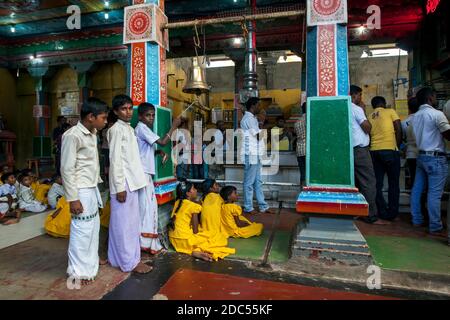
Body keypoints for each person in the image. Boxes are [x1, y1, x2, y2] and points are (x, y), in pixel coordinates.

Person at [61, 97, 108, 285]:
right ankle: (77, 272)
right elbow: (66, 168)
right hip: (79, 190)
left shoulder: (92, 132)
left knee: (92, 229)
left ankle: (90, 265)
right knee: (81, 231)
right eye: (103, 118)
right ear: (90, 117)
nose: (105, 121)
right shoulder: (73, 135)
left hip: (91, 187)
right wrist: (73, 198)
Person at [107, 95, 152, 274]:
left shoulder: (127, 128)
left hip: (131, 182)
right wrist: (119, 187)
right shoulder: (117, 130)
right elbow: (116, 160)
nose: (128, 112)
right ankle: (129, 263)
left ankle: (116, 258)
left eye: (130, 108)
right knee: (124, 224)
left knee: (126, 223)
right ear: (116, 111)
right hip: (123, 183)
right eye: (124, 109)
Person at [135, 102, 181, 255]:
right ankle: (144, 242)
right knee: (147, 209)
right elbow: (162, 142)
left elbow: (143, 151)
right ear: (140, 116)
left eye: (153, 115)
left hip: (145, 173)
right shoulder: (141, 128)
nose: (151, 118)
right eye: (148, 115)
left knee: (149, 208)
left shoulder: (144, 129)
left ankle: (146, 242)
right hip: (142, 173)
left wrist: (158, 153)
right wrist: (173, 126)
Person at [411, 87, 450, 237]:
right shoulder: (436, 114)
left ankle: (417, 219)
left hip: (421, 156)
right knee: (435, 193)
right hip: (435, 157)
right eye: (434, 97)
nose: (436, 99)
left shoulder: (415, 117)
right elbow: (447, 134)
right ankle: (435, 226)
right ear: (430, 99)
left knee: (417, 189)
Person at [169, 181, 235, 261]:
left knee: (206, 234)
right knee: (217, 238)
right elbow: (195, 230)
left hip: (174, 240)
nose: (196, 190)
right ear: (188, 193)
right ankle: (197, 250)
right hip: (185, 240)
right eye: (193, 189)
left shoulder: (177, 202)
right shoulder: (193, 206)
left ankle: (194, 251)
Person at [350, 86, 387, 225]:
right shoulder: (356, 109)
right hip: (360, 150)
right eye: (360, 95)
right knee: (369, 182)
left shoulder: (341, 107)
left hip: (348, 151)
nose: (361, 98)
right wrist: (364, 112)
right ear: (354, 95)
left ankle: (355, 212)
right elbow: (367, 127)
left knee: (355, 183)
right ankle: (370, 215)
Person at [368, 96, 402, 221]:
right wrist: (396, 147)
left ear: (373, 106)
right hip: (390, 150)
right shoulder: (390, 111)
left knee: (377, 184)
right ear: (384, 103)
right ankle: (392, 213)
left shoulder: (369, 116)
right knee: (393, 183)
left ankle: (381, 210)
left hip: (374, 151)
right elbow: (398, 129)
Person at [240, 97, 273, 215]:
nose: (260, 107)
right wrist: (262, 123)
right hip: (251, 153)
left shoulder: (252, 119)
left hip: (255, 153)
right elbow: (259, 136)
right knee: (249, 182)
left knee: (258, 181)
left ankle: (263, 206)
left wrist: (260, 123)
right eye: (259, 105)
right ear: (253, 105)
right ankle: (248, 207)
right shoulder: (248, 119)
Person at [402, 97, 420, 188]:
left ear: (408, 107)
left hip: (410, 154)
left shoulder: (404, 122)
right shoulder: (422, 119)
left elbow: (403, 139)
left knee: (414, 178)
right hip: (422, 154)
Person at [294, 103, 307, 186]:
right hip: (308, 150)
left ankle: (301, 191)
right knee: (310, 173)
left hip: (299, 150)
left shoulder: (297, 122)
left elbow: (295, 134)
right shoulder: (309, 121)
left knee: (302, 173)